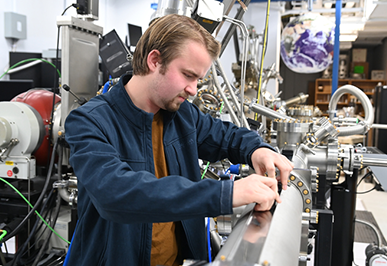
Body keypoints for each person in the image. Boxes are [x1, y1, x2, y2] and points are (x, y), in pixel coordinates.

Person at [64, 13, 293, 266]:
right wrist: (225, 194)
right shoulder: (89, 121)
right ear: (154, 61)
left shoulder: (182, 114)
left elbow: (227, 136)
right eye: (188, 75)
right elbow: (115, 193)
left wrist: (257, 149)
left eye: (198, 79)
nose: (194, 89)